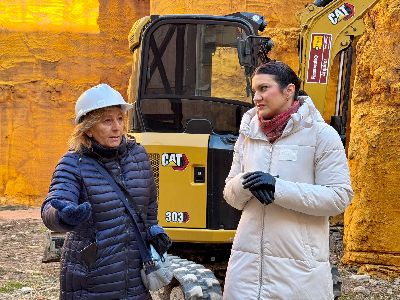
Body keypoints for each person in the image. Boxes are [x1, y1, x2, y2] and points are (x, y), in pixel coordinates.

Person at [223, 61, 353, 299]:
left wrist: (277, 188)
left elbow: (339, 197)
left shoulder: (322, 135)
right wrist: (246, 182)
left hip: (299, 273)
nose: (257, 97)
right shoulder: (248, 136)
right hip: (245, 273)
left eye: (264, 88)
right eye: (254, 91)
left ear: (289, 90)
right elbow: (231, 196)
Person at [41, 83, 157, 300]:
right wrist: (63, 216)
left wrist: (153, 231)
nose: (117, 127)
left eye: (120, 119)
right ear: (88, 128)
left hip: (135, 279)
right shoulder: (73, 163)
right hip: (90, 280)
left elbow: (149, 206)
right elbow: (52, 207)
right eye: (107, 121)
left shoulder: (138, 156)